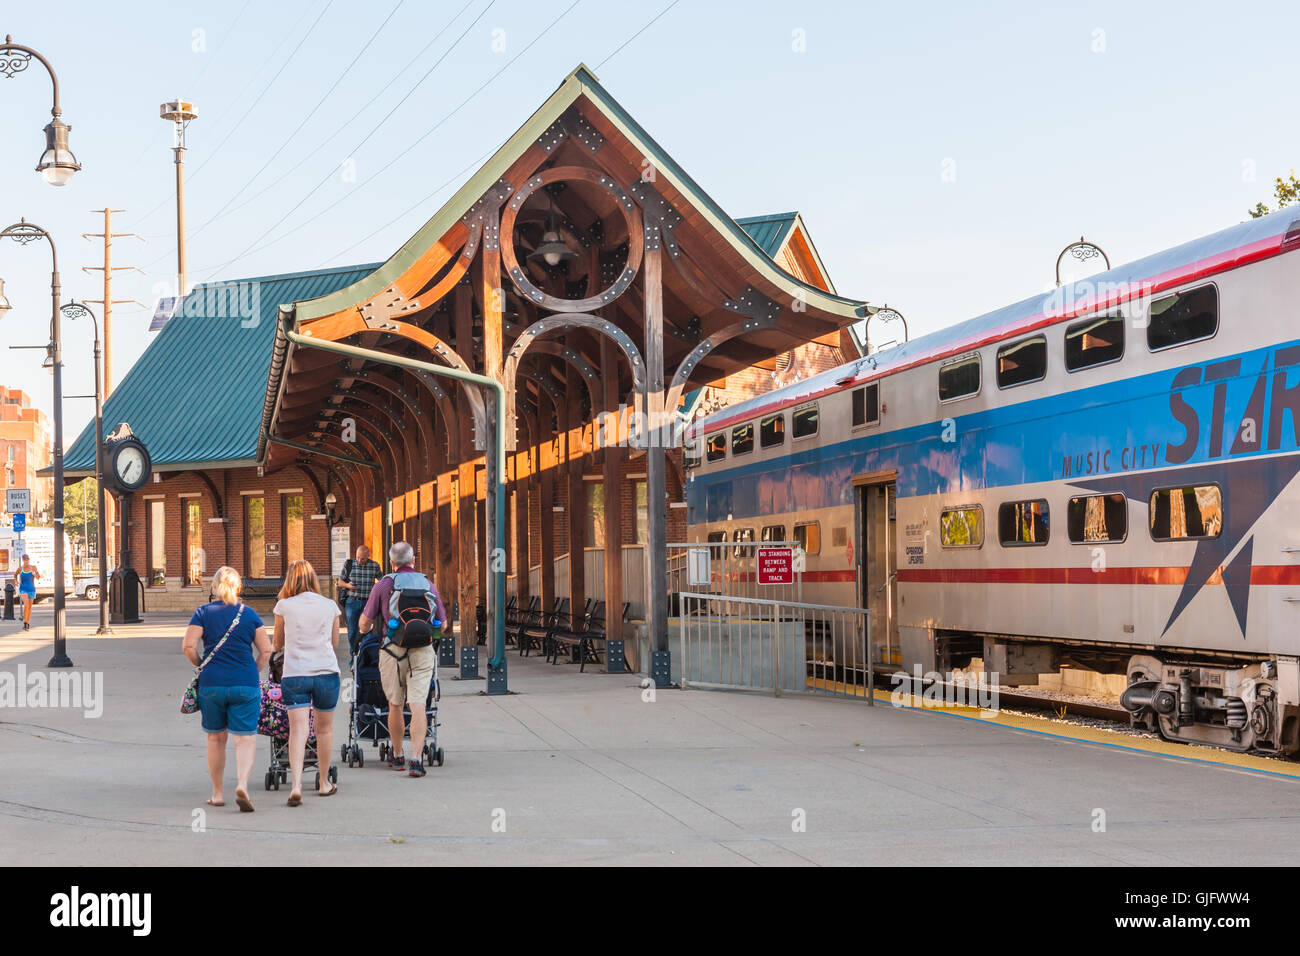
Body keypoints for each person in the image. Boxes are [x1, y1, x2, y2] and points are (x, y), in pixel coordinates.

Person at [182, 566, 271, 812]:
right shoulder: (249, 613)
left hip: (212, 684)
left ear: (214, 587)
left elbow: (188, 647)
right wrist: (252, 669)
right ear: (238, 587)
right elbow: (266, 650)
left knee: (215, 738)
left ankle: (218, 793)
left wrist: (203, 665)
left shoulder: (202, 612)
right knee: (245, 739)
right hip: (245, 683)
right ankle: (242, 784)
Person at [360, 541, 446, 778]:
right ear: (413, 560)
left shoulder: (384, 585)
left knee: (395, 704)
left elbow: (364, 624)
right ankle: (417, 759)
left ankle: (398, 754)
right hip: (423, 651)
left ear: (391, 562)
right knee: (418, 703)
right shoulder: (428, 584)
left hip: (392, 651)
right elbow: (444, 623)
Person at [273, 559, 341, 805]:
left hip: (295, 674)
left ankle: (296, 786)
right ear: (313, 579)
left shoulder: (284, 606)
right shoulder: (330, 605)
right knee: (324, 730)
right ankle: (324, 782)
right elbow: (334, 643)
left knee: (298, 730)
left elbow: (277, 644)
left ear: (290, 579)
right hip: (326, 672)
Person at [337, 545, 381, 661]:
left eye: (363, 558)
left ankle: (367, 656)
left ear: (368, 556)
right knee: (352, 631)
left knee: (367, 631)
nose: (360, 560)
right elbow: (340, 582)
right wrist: (348, 586)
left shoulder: (374, 566)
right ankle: (354, 656)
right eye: (358, 557)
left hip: (368, 603)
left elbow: (382, 581)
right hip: (352, 602)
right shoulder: (349, 564)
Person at [13, 555, 39, 631]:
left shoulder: (33, 567)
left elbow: (38, 577)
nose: (26, 561)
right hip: (23, 589)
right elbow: (15, 574)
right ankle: (25, 623)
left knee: (29, 607)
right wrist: (16, 581)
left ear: (29, 560)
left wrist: (34, 574)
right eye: (25, 560)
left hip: (32, 589)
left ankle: (27, 622)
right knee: (26, 605)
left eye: (27, 560)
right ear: (23, 560)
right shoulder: (20, 569)